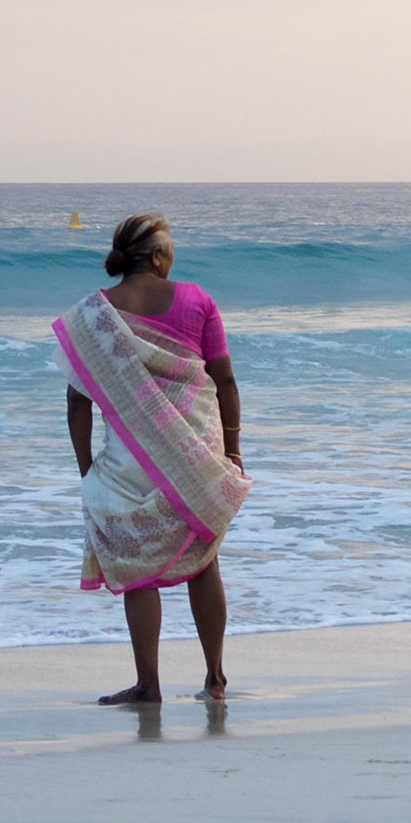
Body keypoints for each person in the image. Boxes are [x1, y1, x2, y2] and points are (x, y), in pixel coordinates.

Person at [53, 213, 249, 705]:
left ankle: (149, 685)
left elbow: (79, 402)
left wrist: (86, 469)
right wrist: (232, 448)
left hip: (129, 459)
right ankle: (215, 679)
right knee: (204, 559)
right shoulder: (198, 299)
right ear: (160, 256)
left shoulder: (93, 315)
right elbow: (223, 380)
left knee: (138, 567)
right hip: (194, 451)